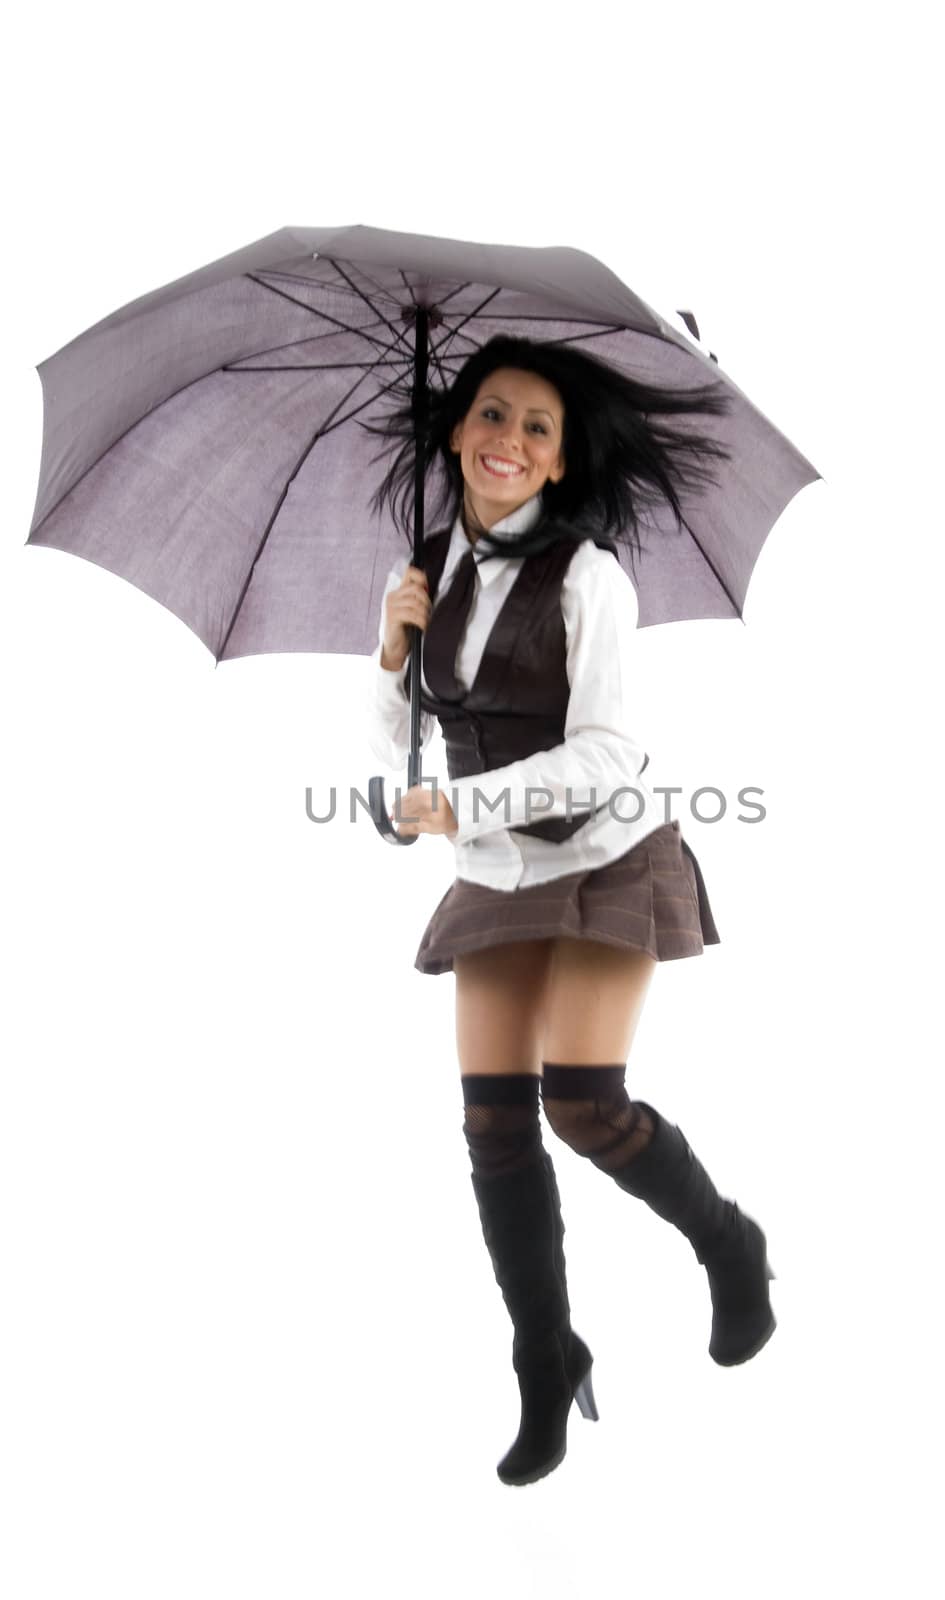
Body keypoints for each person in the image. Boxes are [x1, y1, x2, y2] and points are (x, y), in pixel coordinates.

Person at [363, 335, 775, 1488]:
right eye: (491, 415)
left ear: (554, 463)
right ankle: (544, 1359)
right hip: (496, 873)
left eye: (535, 428)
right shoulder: (420, 573)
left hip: (604, 855)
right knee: (492, 1124)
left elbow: (603, 755)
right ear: (455, 431)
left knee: (581, 1107)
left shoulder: (592, 577)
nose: (508, 439)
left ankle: (727, 1241)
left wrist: (464, 801)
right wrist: (391, 653)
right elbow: (386, 765)